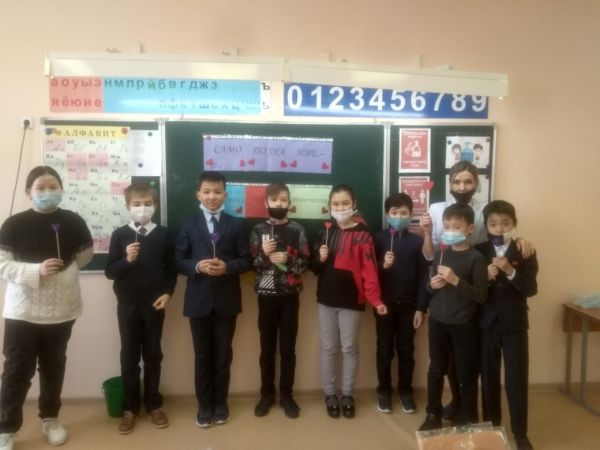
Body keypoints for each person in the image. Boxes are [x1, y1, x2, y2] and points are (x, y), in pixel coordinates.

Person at [420, 160, 534, 419]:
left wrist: (519, 240)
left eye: (468, 181)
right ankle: (456, 404)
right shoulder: (436, 209)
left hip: (476, 294)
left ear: (477, 183)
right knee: (446, 363)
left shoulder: (484, 211)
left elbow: (499, 235)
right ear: (449, 183)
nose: (462, 186)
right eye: (457, 181)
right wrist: (427, 233)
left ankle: (469, 413)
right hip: (446, 298)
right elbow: (430, 256)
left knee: (468, 364)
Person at [0, 166, 93, 450]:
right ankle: (6, 428)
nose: (47, 192)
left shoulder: (73, 221)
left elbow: (85, 255)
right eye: (40, 187)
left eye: (53, 187)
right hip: (23, 313)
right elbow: (2, 265)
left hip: (61, 311)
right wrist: (36, 271)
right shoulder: (14, 224)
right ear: (28, 192)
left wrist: (64, 273)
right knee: (16, 371)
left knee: (53, 368)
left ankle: (50, 419)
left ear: (61, 189)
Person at [174, 171, 251, 428]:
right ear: (198, 194)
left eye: (217, 192)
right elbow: (178, 260)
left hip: (227, 301)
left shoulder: (236, 225)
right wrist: (197, 266)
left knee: (222, 356)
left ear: (225, 195)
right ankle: (204, 405)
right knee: (202, 356)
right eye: (206, 192)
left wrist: (227, 267)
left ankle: (221, 403)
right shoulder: (188, 224)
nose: (212, 196)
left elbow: (246, 260)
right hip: (198, 301)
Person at [105, 182, 177, 434]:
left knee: (153, 355)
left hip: (155, 305)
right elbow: (110, 272)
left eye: (148, 203)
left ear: (155, 205)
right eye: (137, 204)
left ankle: (154, 405)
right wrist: (127, 260)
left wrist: (168, 293)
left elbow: (171, 269)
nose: (142, 208)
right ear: (128, 206)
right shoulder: (120, 235)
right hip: (127, 305)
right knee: (129, 357)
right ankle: (129, 408)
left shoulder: (164, 234)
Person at [311, 184, 387, 420]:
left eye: (345, 203)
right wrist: (320, 258)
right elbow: (314, 268)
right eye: (336, 204)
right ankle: (330, 394)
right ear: (329, 206)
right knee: (328, 348)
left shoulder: (364, 234)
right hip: (326, 299)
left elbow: (369, 270)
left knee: (349, 348)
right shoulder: (325, 231)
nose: (340, 208)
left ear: (354, 204)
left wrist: (375, 299)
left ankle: (347, 394)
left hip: (352, 301)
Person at [475, 201, 538, 450]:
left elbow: (531, 289)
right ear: (486, 226)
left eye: (505, 223)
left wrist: (510, 271)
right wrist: (486, 278)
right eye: (493, 224)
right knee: (489, 379)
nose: (499, 228)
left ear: (514, 224)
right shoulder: (478, 251)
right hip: (486, 323)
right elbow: (471, 288)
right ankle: (492, 429)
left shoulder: (525, 251)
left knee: (517, 379)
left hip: (515, 323)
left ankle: (520, 433)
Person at [419, 203, 487, 431]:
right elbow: (430, 288)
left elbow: (481, 295)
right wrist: (431, 285)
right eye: (446, 226)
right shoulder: (441, 252)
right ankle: (433, 414)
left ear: (470, 229)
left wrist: (456, 280)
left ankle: (466, 416)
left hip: (463, 324)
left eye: (456, 227)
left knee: (465, 372)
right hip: (438, 321)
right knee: (436, 369)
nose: (449, 231)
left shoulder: (476, 258)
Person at [249, 182, 309, 419]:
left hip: (290, 296)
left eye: (283, 200)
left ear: (289, 203)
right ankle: (266, 395)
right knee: (266, 349)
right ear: (266, 203)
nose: (279, 204)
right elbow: (252, 264)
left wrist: (288, 259)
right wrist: (265, 254)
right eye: (274, 200)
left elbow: (305, 263)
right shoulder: (258, 230)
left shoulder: (297, 229)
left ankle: (287, 395)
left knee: (288, 349)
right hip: (266, 296)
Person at [373, 193, 429, 415]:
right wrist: (383, 265)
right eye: (394, 212)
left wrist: (421, 308)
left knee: (406, 350)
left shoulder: (417, 242)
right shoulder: (378, 239)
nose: (398, 216)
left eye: (403, 213)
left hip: (409, 306)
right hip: (384, 305)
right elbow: (369, 273)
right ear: (387, 214)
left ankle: (405, 391)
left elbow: (424, 277)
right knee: (384, 350)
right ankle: (384, 391)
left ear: (411, 215)